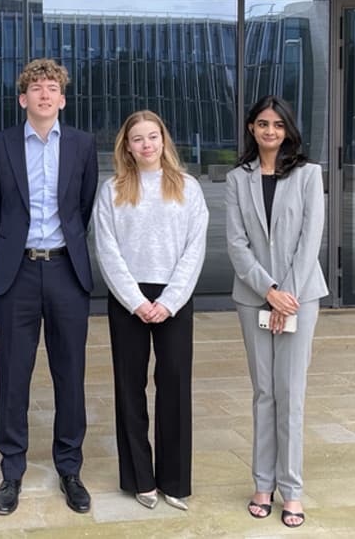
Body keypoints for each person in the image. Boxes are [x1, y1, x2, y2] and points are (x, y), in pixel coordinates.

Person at [0, 58, 98, 516]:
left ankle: (70, 467)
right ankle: (12, 472)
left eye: (52, 88)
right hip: (19, 274)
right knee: (14, 375)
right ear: (22, 98)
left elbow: (82, 209)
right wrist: (13, 251)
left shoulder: (83, 146)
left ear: (62, 99)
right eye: (36, 87)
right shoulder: (0, 145)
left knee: (70, 373)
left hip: (68, 272)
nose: (45, 94)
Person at [92, 110, 208, 511]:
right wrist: (136, 301)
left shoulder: (188, 188)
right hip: (129, 299)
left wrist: (170, 300)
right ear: (126, 145)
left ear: (164, 140)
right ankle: (140, 477)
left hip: (174, 297)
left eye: (153, 137)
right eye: (137, 138)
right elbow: (106, 249)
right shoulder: (112, 190)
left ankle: (174, 480)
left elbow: (195, 248)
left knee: (174, 385)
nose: (146, 145)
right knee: (129, 387)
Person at [225, 95, 328, 528]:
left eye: (278, 125)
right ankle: (262, 483)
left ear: (288, 130)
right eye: (263, 124)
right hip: (254, 300)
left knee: (291, 395)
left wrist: (287, 293)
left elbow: (311, 239)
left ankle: (293, 489)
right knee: (264, 393)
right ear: (252, 128)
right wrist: (268, 289)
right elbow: (236, 243)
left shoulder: (308, 175)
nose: (270, 131)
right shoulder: (236, 178)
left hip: (300, 298)